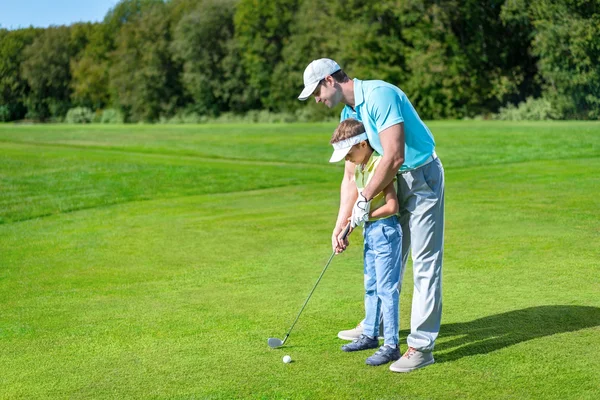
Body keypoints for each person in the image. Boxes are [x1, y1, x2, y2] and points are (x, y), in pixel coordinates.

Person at [298, 58, 445, 373]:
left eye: (316, 92)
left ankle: (421, 346)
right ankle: (373, 326)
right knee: (390, 257)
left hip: (421, 178)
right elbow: (351, 173)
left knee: (424, 263)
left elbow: (395, 155)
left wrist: (365, 199)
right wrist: (342, 224)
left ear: (330, 80)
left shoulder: (380, 95)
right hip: (389, 179)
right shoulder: (348, 113)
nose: (316, 99)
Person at [329, 118, 403, 366]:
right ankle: (370, 334)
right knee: (371, 286)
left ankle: (391, 345)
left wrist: (365, 215)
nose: (347, 159)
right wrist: (346, 231)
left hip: (386, 232)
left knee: (386, 289)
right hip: (371, 232)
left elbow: (392, 206)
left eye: (349, 153)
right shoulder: (360, 167)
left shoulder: (380, 164)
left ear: (362, 144)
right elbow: (360, 209)